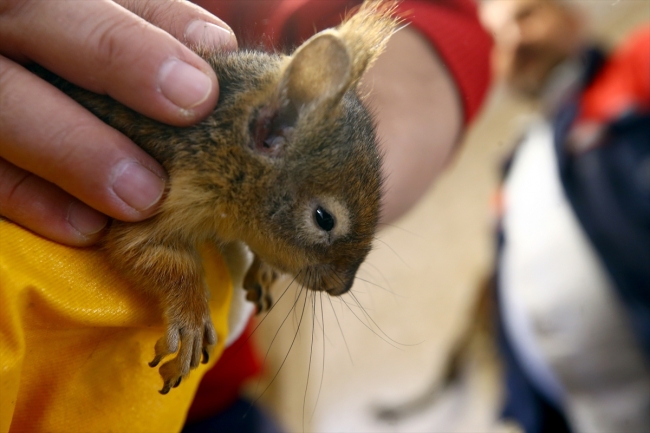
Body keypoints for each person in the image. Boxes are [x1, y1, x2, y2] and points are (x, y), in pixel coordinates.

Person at [0, 0, 491, 431]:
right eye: (322, 221)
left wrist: (267, 240)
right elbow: (139, 239)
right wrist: (188, 298)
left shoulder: (251, 181)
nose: (337, 286)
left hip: (194, 393)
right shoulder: (205, 164)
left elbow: (440, 21)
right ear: (270, 132)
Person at [479, 0, 650, 431]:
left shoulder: (635, 71)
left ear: (574, 20)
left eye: (526, 16)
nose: (513, 40)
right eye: (496, 38)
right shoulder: (513, 175)